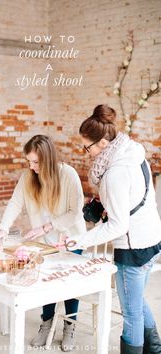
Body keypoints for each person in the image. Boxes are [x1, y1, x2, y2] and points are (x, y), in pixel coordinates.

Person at [75, 104, 161, 354]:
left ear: (102, 143)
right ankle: (154, 348)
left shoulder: (113, 173)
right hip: (152, 238)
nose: (86, 153)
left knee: (131, 312)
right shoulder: (133, 152)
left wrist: (79, 241)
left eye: (87, 147)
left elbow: (118, 225)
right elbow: (135, 198)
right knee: (137, 300)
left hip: (132, 247)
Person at [0, 134, 86, 351]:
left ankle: (69, 326)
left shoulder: (67, 174)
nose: (32, 167)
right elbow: (15, 202)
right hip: (44, 244)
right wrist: (3, 228)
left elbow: (75, 211)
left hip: (70, 240)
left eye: (36, 162)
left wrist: (46, 227)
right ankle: (46, 323)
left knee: (69, 285)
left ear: (49, 158)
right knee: (45, 283)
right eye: (29, 161)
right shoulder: (28, 177)